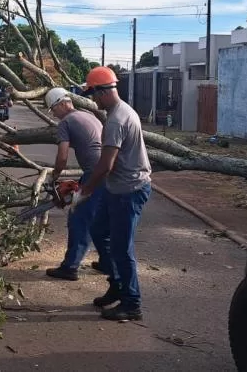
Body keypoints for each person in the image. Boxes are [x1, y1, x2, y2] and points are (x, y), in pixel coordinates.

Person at [73, 66, 152, 322]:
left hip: (129, 191)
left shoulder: (117, 119)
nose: (93, 99)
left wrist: (85, 190)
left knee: (121, 248)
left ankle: (132, 303)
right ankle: (117, 284)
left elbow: (105, 165)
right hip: (116, 187)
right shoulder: (118, 113)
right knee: (98, 230)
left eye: (94, 94)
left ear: (104, 91)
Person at [42, 87, 108, 281]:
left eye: (54, 110)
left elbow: (62, 158)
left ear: (62, 104)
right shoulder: (86, 115)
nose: (54, 115)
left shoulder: (66, 122)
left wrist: (54, 177)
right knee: (99, 219)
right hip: (108, 170)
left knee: (79, 218)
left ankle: (70, 267)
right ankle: (108, 261)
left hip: (94, 173)